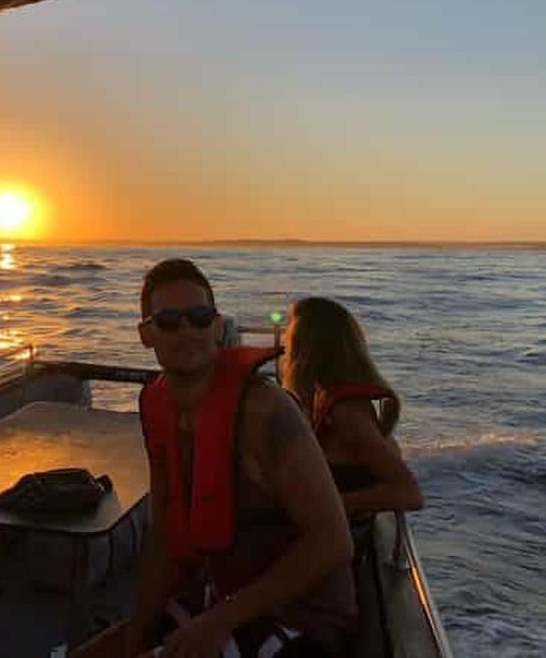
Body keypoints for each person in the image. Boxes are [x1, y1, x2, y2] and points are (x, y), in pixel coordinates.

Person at [123, 259, 357, 658]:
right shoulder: (159, 408)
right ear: (146, 334)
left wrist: (221, 620)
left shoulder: (265, 412)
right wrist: (134, 634)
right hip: (226, 604)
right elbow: (164, 534)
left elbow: (334, 541)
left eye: (199, 317)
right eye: (169, 321)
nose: (187, 331)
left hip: (302, 622)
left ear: (217, 326)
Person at [278, 297, 424, 520]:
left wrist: (325, 505)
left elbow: (409, 493)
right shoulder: (322, 395)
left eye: (289, 339)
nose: (285, 347)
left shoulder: (347, 411)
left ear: (305, 349)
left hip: (340, 536)